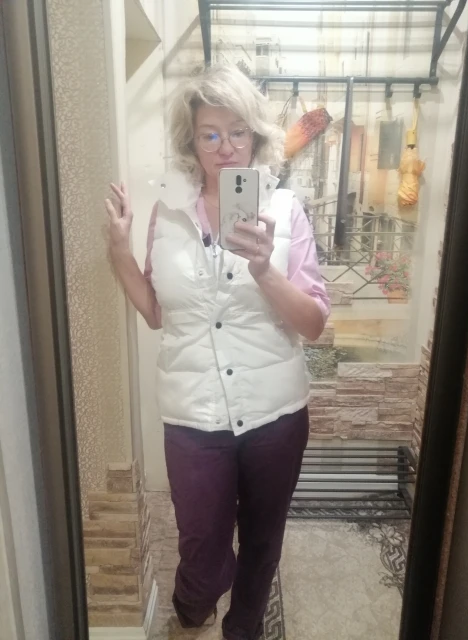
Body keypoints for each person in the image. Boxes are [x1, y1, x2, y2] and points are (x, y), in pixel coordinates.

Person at [105, 64, 330, 640]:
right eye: (210, 134)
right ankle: (193, 605)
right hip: (192, 416)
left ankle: (244, 628)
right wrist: (119, 251)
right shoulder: (167, 212)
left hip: (275, 415)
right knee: (202, 547)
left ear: (254, 136)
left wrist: (264, 270)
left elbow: (314, 324)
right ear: (192, 141)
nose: (225, 147)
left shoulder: (284, 210)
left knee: (261, 540)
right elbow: (157, 312)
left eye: (237, 132)